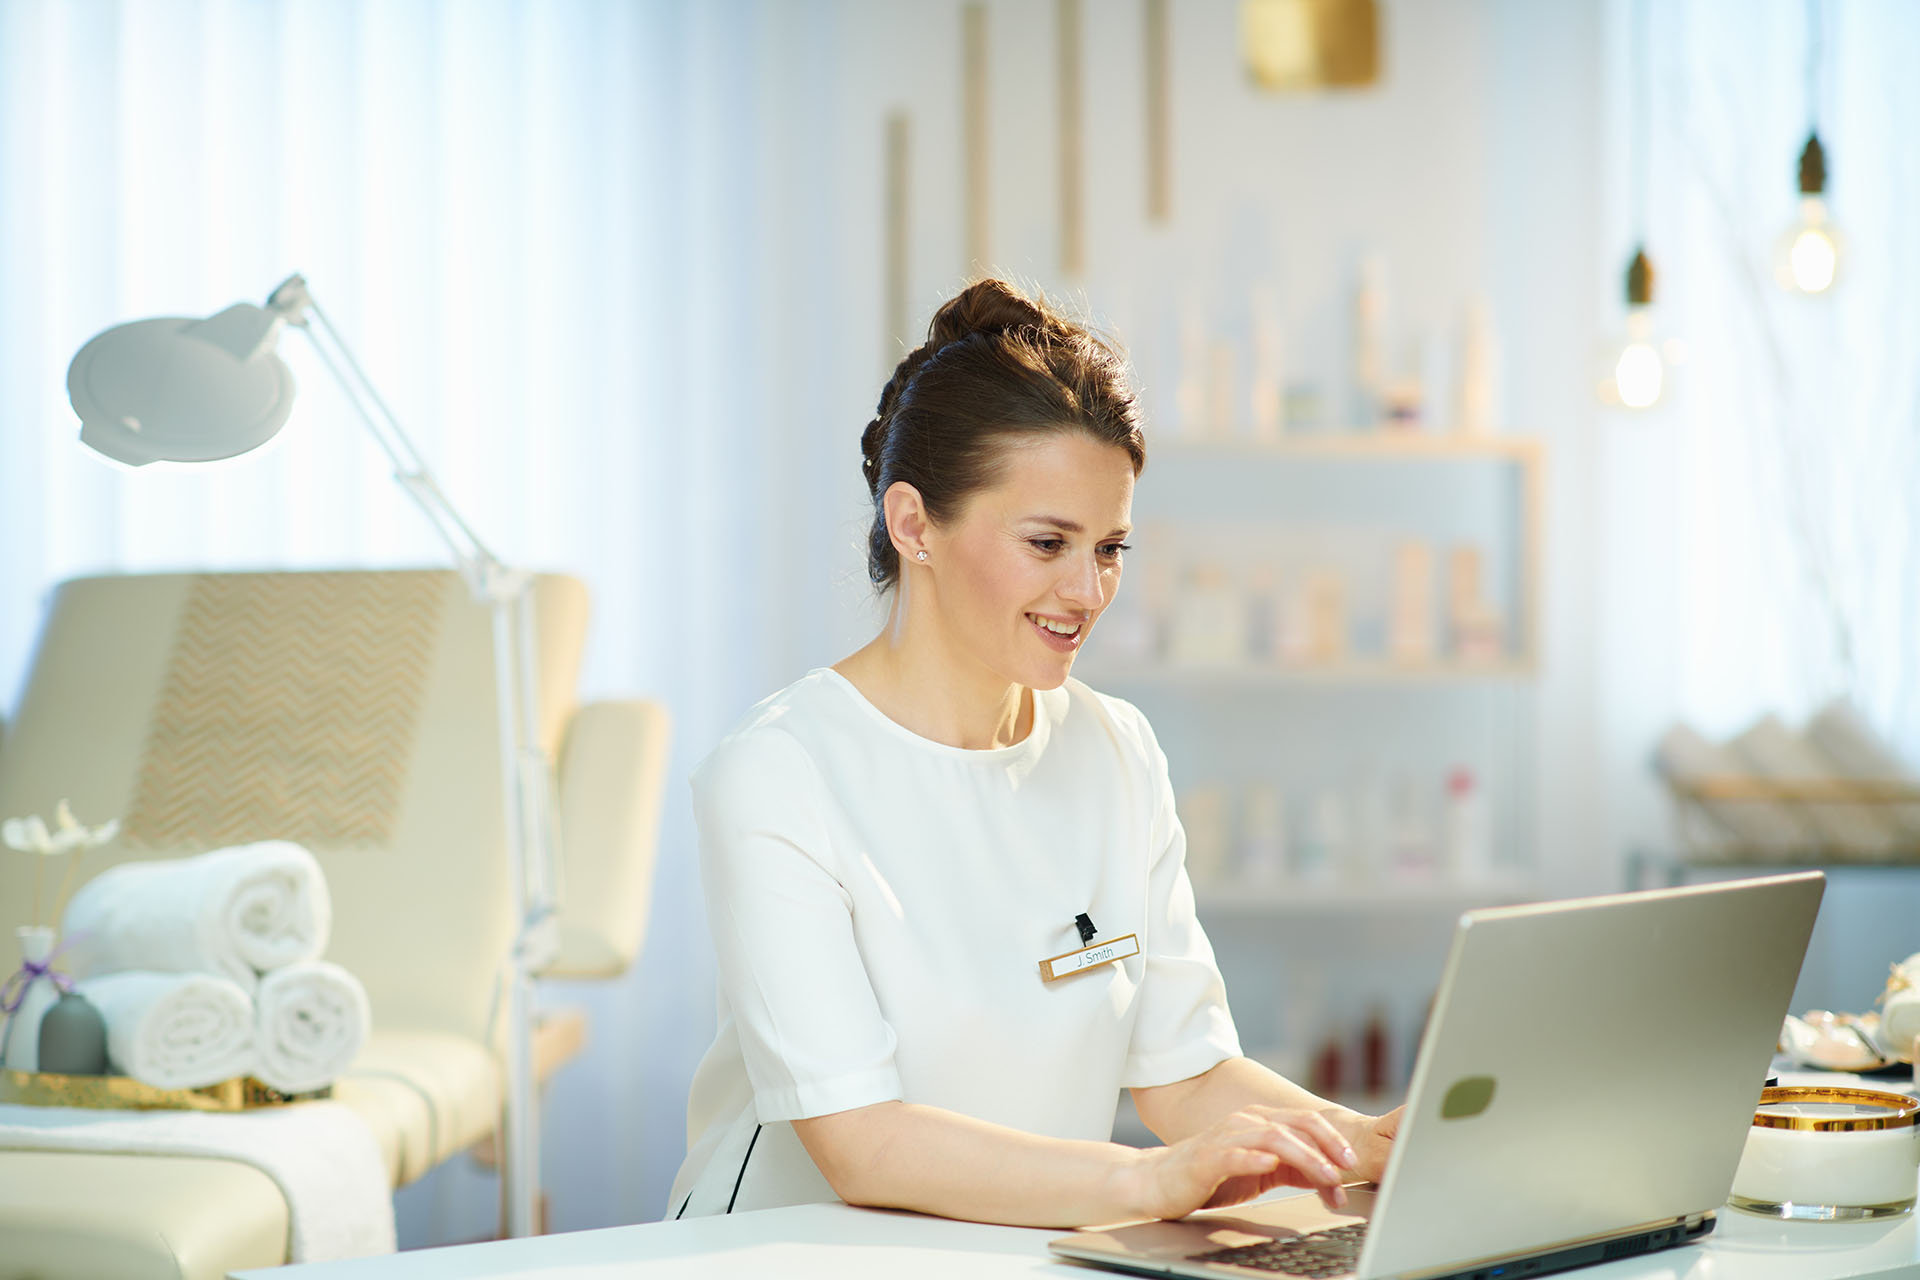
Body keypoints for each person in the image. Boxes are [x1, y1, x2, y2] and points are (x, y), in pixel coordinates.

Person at [667, 278, 1400, 1226]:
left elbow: (1186, 1075)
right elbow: (863, 1143)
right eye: (1049, 542)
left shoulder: (1116, 751)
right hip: (792, 1251)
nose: (1088, 592)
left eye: (1110, 549)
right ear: (913, 524)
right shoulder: (778, 774)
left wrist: (1366, 1147)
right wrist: (1143, 1183)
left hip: (1020, 1247)